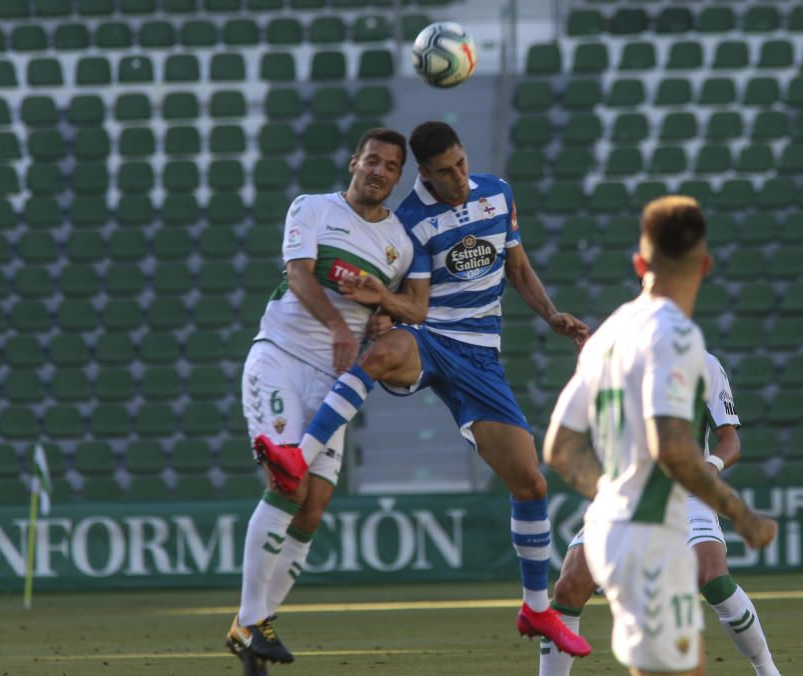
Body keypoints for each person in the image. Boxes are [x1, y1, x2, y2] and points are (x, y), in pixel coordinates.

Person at [254, 121, 593, 656]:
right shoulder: (405, 221)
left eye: (460, 164)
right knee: (384, 352)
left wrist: (550, 314)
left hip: (480, 356)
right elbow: (404, 297)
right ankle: (300, 455)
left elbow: (517, 266)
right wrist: (380, 311)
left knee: (530, 483)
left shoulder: (497, 193)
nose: (457, 178)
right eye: (443, 172)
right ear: (424, 176)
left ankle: (536, 608)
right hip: (430, 336)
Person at [542, 195, 777, 676]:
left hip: (623, 512)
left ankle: (766, 669)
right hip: (656, 516)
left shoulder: (603, 340)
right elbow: (670, 448)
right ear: (704, 266)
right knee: (661, 654)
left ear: (639, 263)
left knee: (661, 650)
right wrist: (742, 514)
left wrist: (619, 495)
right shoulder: (679, 338)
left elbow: (559, 449)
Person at [225, 128, 419, 676]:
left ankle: (251, 630)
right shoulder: (312, 208)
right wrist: (338, 324)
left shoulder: (399, 245)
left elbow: (399, 307)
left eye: (389, 166)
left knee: (313, 508)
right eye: (372, 160)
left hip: (332, 386)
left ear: (397, 177)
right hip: (281, 359)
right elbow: (298, 275)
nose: (378, 171)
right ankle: (251, 620)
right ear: (354, 161)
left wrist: (385, 315)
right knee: (288, 485)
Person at [539, 351, 781, 676]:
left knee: (713, 578)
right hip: (627, 496)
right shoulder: (612, 357)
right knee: (569, 586)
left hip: (686, 494)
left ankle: (768, 671)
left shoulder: (701, 362)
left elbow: (730, 440)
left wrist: (709, 468)